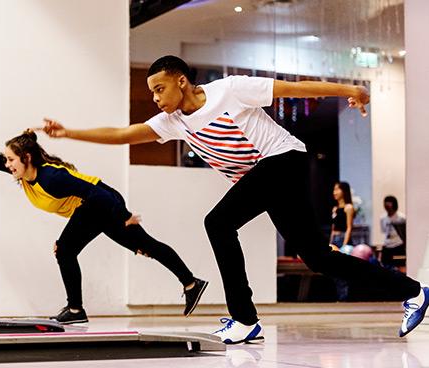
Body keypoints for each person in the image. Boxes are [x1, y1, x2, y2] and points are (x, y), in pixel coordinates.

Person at [39, 55, 428, 343]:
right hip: (270, 176)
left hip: (285, 160)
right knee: (317, 257)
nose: (156, 98)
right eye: (152, 92)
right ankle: (414, 292)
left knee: (218, 222)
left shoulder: (232, 89)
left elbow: (292, 90)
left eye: (160, 89)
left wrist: (352, 90)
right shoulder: (173, 121)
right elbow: (125, 134)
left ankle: (244, 317)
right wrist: (69, 133)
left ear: (182, 81)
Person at [0, 120, 208, 324]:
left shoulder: (52, 178)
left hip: (100, 203)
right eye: (6, 160)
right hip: (94, 208)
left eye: (11, 160)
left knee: (67, 249)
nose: (7, 164)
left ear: (26, 158)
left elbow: (96, 191)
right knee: (143, 246)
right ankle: (191, 283)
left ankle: (75, 309)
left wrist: (123, 215)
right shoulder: (24, 174)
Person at [329, 181, 355, 300]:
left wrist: (344, 244)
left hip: (343, 239)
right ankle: (339, 296)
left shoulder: (348, 207)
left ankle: (344, 296)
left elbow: (349, 227)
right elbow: (333, 229)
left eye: (337, 189)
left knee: (344, 270)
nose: (334, 192)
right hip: (335, 239)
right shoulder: (335, 209)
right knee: (334, 270)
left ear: (343, 191)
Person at [380, 195, 406, 268]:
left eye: (389, 203)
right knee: (384, 266)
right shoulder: (382, 218)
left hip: (398, 244)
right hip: (387, 244)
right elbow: (383, 231)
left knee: (399, 266)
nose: (387, 205)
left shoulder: (401, 217)